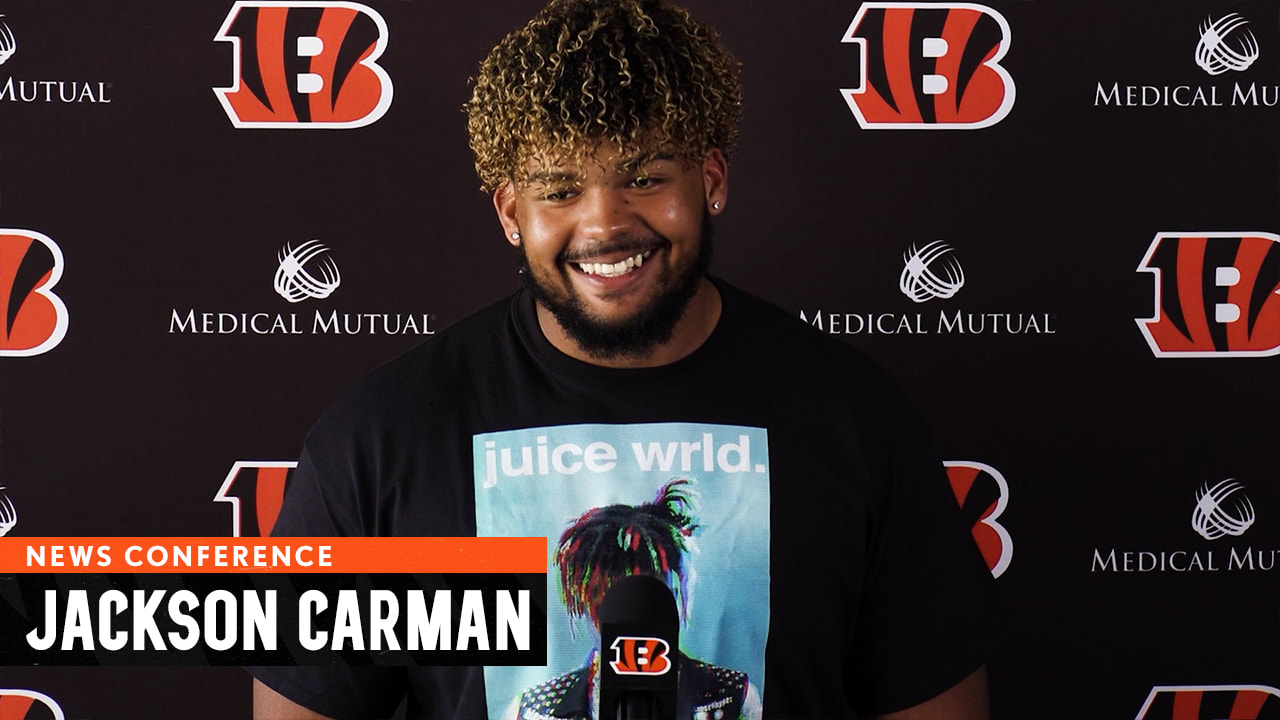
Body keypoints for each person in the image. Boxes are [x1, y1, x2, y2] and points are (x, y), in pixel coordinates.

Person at [249, 0, 994, 718]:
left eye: (643, 178)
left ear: (711, 180)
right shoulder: (380, 439)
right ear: (512, 213)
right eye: (560, 189)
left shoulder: (855, 417)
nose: (604, 223)